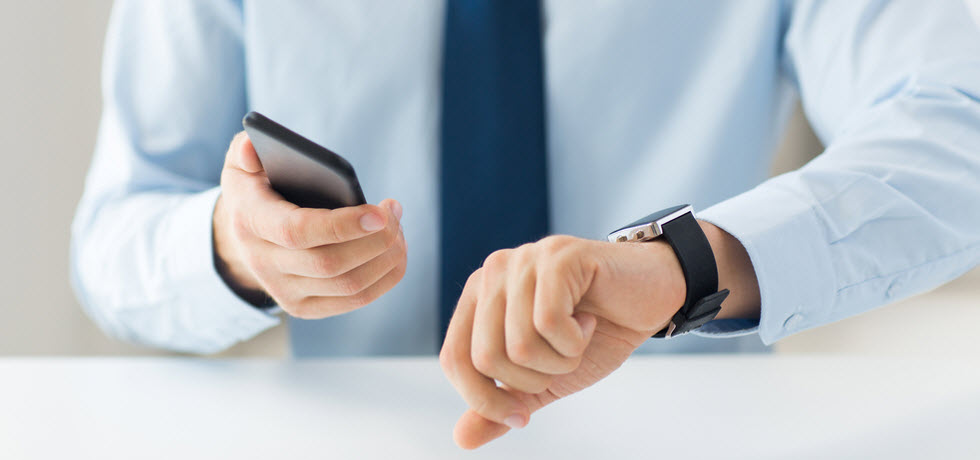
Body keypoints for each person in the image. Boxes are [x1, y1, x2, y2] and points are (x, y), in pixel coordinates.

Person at [72, 0, 980, 449]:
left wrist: (680, 268)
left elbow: (958, 125)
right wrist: (233, 251)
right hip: (354, 438)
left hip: (690, 437)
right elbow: (117, 234)